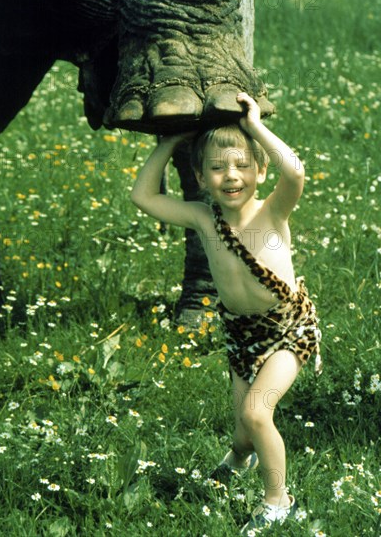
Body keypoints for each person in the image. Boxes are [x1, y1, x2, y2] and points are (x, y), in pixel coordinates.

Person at [131, 92, 322, 533]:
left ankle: (278, 501)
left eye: (241, 166)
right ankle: (238, 457)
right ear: (200, 175)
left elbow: (295, 171)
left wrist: (254, 125)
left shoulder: (272, 212)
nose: (230, 176)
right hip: (241, 334)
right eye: (217, 168)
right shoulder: (204, 218)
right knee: (242, 432)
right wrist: (169, 144)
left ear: (259, 170)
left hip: (288, 329)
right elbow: (143, 196)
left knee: (257, 414)